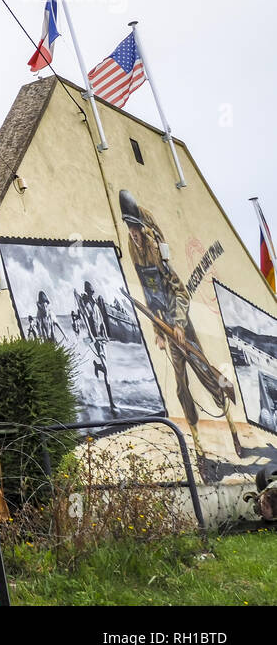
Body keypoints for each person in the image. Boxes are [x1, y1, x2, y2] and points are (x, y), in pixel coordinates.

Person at [121, 190, 241, 456]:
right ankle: (198, 450)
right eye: (128, 228)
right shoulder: (135, 252)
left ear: (141, 227)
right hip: (165, 323)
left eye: (134, 228)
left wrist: (177, 324)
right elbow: (148, 293)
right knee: (180, 386)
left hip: (180, 324)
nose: (132, 233)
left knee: (206, 375)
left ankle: (233, 430)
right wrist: (158, 330)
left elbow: (181, 293)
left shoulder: (156, 252)